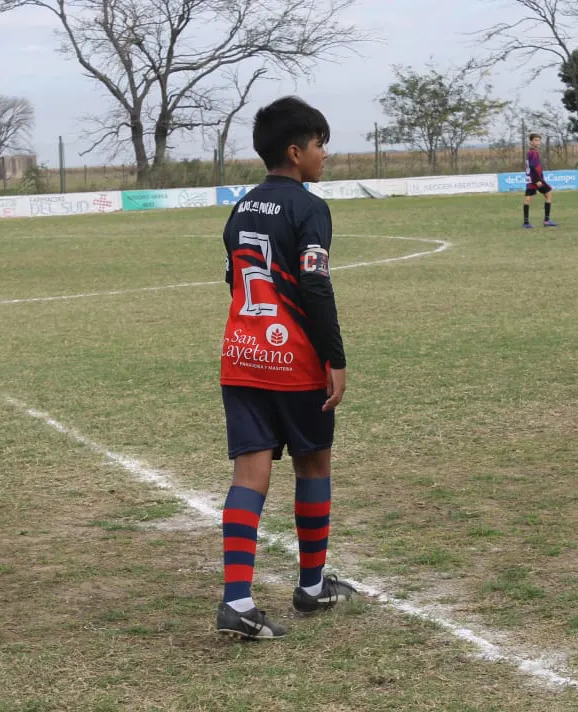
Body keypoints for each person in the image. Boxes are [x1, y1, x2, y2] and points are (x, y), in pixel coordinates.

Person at [216, 96, 355, 640]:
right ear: (296, 153)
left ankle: (238, 601)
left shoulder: (242, 205)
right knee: (313, 465)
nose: (326, 154)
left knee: (249, 475)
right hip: (294, 360)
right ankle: (313, 586)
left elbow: (233, 279)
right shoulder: (309, 206)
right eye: (321, 144)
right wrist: (334, 358)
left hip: (242, 357)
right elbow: (316, 286)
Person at [523, 133, 556, 228]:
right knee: (549, 193)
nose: (538, 142)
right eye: (535, 140)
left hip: (530, 178)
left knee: (528, 198)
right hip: (536, 179)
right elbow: (533, 167)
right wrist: (538, 180)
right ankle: (546, 220)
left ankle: (526, 223)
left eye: (538, 140)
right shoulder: (533, 153)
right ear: (531, 141)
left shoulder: (529, 152)